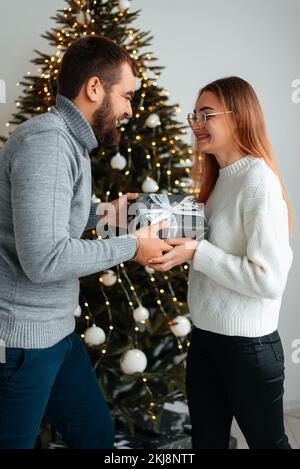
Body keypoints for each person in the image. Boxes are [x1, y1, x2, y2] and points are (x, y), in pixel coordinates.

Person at [0, 35, 172, 449]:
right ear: (95, 88)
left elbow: (47, 217)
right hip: (24, 340)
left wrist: (103, 213)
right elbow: (45, 258)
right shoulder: (50, 143)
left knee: (94, 435)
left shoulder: (67, 142)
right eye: (127, 96)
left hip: (56, 332)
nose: (131, 110)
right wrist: (132, 246)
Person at [148, 76, 294, 449]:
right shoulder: (217, 182)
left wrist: (197, 252)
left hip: (249, 349)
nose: (196, 124)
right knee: (206, 443)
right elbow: (210, 252)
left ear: (239, 117)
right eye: (193, 115)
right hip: (206, 340)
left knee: (267, 443)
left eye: (206, 115)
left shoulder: (258, 181)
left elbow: (269, 279)